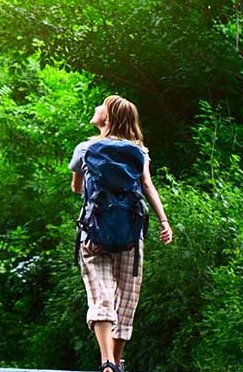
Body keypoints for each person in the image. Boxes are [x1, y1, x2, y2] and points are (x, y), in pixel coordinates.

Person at [68, 95, 173, 372]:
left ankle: (106, 362)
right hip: (130, 234)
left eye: (101, 106)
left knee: (101, 295)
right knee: (126, 298)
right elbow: (148, 186)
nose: (96, 108)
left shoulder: (85, 148)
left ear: (108, 117)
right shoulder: (139, 151)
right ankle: (116, 361)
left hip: (94, 232)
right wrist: (164, 221)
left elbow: (76, 189)